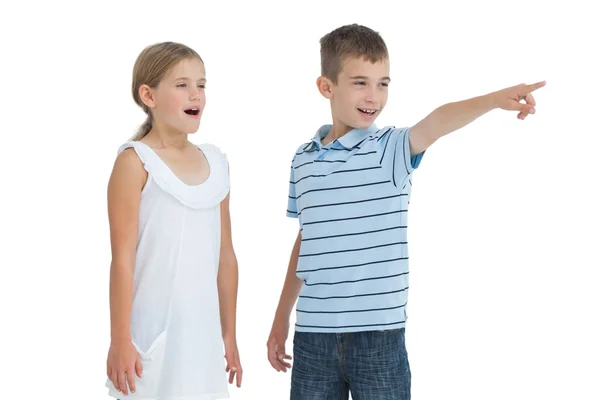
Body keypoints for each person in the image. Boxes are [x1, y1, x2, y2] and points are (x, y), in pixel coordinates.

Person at [266, 24, 545, 400]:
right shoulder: (304, 160)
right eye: (360, 82)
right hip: (313, 334)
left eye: (383, 83)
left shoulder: (390, 150)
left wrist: (494, 99)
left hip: (379, 337)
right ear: (326, 87)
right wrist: (281, 316)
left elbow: (438, 121)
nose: (374, 96)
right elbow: (308, 240)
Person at [105, 41, 242, 400]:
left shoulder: (217, 163)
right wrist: (120, 339)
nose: (196, 94)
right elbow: (122, 259)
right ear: (148, 95)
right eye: (182, 85)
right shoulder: (135, 163)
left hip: (203, 337)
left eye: (201, 84)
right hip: (154, 332)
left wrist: (229, 334)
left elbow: (225, 255)